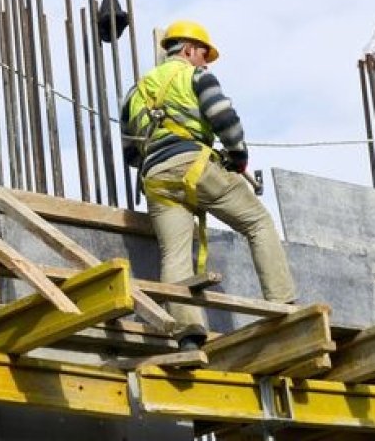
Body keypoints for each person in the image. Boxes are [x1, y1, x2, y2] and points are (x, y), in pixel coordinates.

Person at [120, 20, 296, 350]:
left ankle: (188, 335)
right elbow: (225, 119)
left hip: (156, 178)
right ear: (188, 50)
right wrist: (237, 157)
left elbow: (131, 153)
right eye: (203, 55)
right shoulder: (195, 76)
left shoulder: (135, 93)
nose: (205, 62)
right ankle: (283, 306)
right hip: (195, 166)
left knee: (174, 254)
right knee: (258, 223)